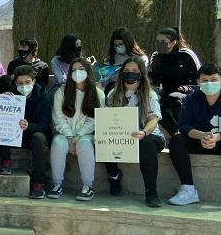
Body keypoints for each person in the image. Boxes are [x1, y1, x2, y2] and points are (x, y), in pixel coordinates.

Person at [105, 57, 164, 207]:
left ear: (142, 74)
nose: (130, 74)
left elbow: (153, 120)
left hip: (149, 135)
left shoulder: (149, 94)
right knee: (104, 139)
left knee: (147, 143)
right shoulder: (113, 94)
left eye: (135, 71)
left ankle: (151, 191)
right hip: (122, 136)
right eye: (126, 71)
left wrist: (144, 132)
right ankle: (114, 177)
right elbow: (107, 119)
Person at [49, 58, 105, 201]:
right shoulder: (61, 92)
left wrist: (78, 136)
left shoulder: (98, 94)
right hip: (64, 133)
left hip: (86, 134)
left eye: (81, 69)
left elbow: (95, 119)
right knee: (58, 143)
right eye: (73, 70)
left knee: (84, 144)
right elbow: (58, 118)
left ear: (88, 71)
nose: (77, 73)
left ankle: (88, 186)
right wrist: (69, 136)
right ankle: (57, 184)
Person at [167, 63, 221, 205]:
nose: (209, 83)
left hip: (219, 140)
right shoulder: (191, 99)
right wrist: (202, 135)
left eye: (214, 79)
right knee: (176, 140)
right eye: (205, 80)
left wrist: (217, 136)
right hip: (199, 140)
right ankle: (188, 189)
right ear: (198, 82)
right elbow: (184, 125)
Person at [0, 65, 52, 198]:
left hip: (34, 134)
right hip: (15, 136)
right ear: (15, 84)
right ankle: (5, 162)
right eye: (20, 83)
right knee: (1, 126)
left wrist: (29, 126)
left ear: (33, 81)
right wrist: (3, 101)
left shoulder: (44, 98)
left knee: (38, 138)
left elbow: (44, 124)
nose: (24, 86)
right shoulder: (11, 95)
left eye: (27, 82)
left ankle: (39, 183)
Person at [149, 27, 201, 136]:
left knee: (175, 99)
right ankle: (174, 131)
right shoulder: (156, 56)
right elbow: (152, 78)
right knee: (153, 106)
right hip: (165, 91)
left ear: (173, 42)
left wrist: (187, 88)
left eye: (164, 42)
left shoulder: (186, 54)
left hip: (186, 89)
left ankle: (184, 129)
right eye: (157, 41)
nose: (159, 44)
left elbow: (200, 77)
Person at [98, 27, 148, 93]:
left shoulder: (141, 58)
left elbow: (144, 79)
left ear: (128, 42)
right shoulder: (110, 59)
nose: (118, 47)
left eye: (120, 44)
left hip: (135, 90)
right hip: (113, 91)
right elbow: (104, 82)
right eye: (115, 45)